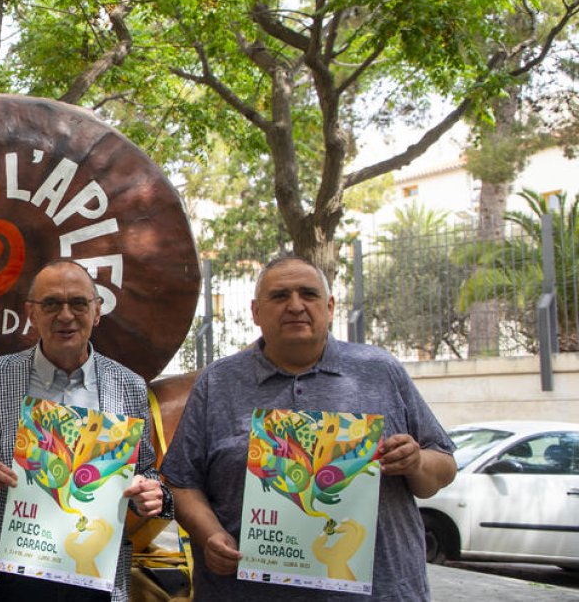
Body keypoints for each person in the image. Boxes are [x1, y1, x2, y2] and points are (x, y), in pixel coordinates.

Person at [161, 255, 458, 601]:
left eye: (308, 294)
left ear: (329, 307)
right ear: (256, 312)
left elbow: (444, 466)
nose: (295, 305)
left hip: (382, 592)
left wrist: (416, 462)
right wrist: (209, 534)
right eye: (279, 296)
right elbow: (181, 481)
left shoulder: (380, 371)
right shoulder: (218, 382)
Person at [0, 259, 174, 602]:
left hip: (93, 574)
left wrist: (151, 495)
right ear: (31, 313)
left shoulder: (128, 386)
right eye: (51, 303)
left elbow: (145, 473)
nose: (65, 315)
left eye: (78, 303)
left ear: (97, 311)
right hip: (9, 577)